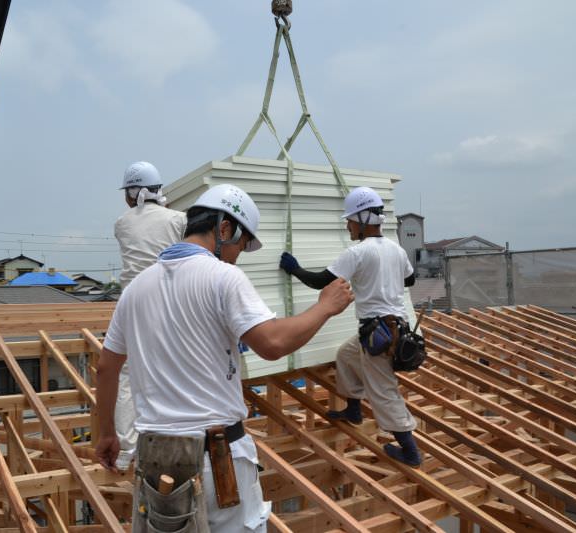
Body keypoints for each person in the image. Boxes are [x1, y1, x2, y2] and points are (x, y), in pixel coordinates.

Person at [96, 184, 354, 532]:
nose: (238, 254)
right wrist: (325, 308)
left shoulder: (136, 289)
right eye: (242, 244)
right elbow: (272, 343)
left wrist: (107, 434)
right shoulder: (223, 277)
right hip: (214, 459)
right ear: (224, 228)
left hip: (154, 460)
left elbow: (106, 367)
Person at [278, 186, 421, 467]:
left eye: (350, 220)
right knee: (346, 355)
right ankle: (354, 409)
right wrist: (381, 280)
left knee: (383, 391)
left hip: (379, 334)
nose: (348, 226)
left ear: (364, 219)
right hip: (394, 329)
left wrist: (293, 268)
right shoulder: (395, 249)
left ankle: (410, 452)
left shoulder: (358, 253)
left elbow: (320, 282)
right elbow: (410, 281)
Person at [112, 161, 187, 468]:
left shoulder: (122, 223)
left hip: (131, 304)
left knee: (129, 377)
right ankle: (174, 441)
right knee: (172, 368)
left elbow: (142, 230)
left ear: (131, 192)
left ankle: (126, 453)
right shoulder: (179, 219)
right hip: (167, 304)